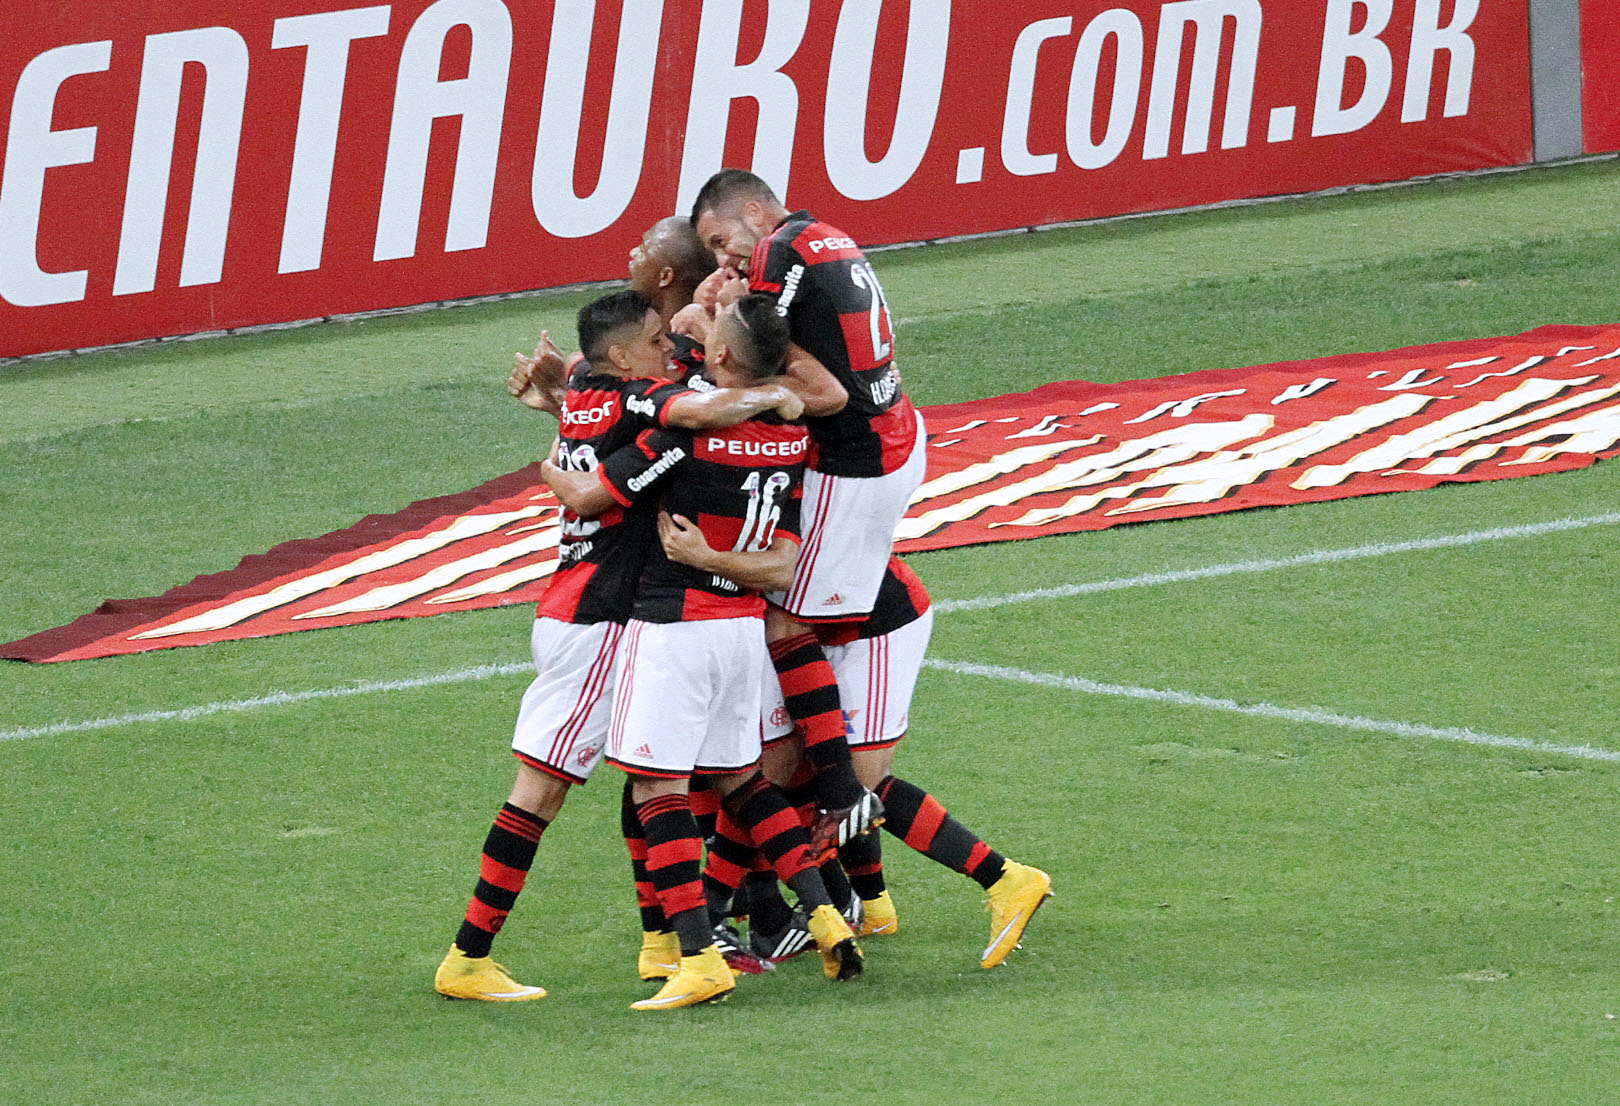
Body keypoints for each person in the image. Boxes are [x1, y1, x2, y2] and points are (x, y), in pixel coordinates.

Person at [433, 286, 804, 1002]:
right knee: (541, 792)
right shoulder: (637, 395)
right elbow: (691, 417)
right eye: (659, 340)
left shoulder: (589, 395)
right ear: (625, 355)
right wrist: (779, 395)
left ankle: (663, 946)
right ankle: (469, 957)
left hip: (594, 608)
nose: (671, 350)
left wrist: (551, 405)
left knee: (648, 775)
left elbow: (590, 445)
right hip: (595, 615)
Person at [542, 296, 863, 1009]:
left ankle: (694, 957)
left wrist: (552, 473)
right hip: (745, 633)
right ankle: (828, 920)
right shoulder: (789, 434)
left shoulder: (683, 436)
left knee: (658, 789)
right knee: (742, 782)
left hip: (675, 626)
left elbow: (594, 495)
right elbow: (783, 567)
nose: (685, 339)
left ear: (718, 359)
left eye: (700, 333)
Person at [690, 170, 929, 850]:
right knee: (806, 615)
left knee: (785, 616)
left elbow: (776, 362)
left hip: (856, 458)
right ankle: (847, 867)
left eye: (721, 239)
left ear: (757, 211)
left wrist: (712, 323)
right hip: (895, 432)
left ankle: (842, 793)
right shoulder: (828, 236)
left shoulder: (776, 253)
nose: (723, 259)